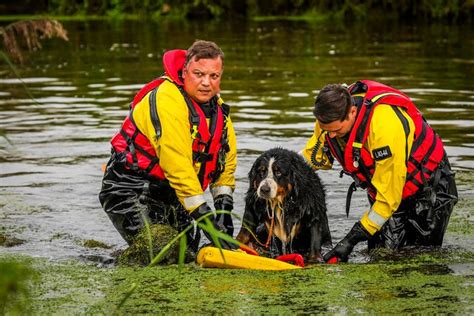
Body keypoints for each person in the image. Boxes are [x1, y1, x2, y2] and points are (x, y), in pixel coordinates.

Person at [99, 40, 238, 252]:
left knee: (190, 252)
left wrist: (224, 212)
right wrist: (207, 221)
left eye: (214, 76)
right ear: (184, 72)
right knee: (164, 252)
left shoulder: (219, 112)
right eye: (198, 74)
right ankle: (108, 262)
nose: (206, 83)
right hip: (130, 188)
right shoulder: (167, 101)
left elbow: (224, 163)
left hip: (173, 195)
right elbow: (178, 166)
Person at [301, 80, 458, 262]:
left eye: (336, 130)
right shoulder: (328, 120)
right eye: (326, 131)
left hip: (428, 190)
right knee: (377, 254)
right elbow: (310, 159)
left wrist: (351, 238)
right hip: (385, 187)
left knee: (416, 259)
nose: (331, 136)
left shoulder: (385, 128)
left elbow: (388, 199)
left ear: (352, 112)